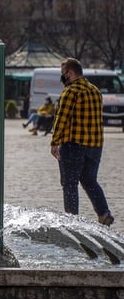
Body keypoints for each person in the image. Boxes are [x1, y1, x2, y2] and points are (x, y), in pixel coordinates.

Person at [50, 58, 114, 226]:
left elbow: (61, 119)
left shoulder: (70, 92)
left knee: (69, 184)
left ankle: (73, 222)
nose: (62, 77)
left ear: (69, 73)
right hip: (95, 145)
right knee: (90, 180)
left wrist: (54, 142)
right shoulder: (95, 90)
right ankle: (104, 213)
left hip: (73, 145)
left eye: (62, 73)